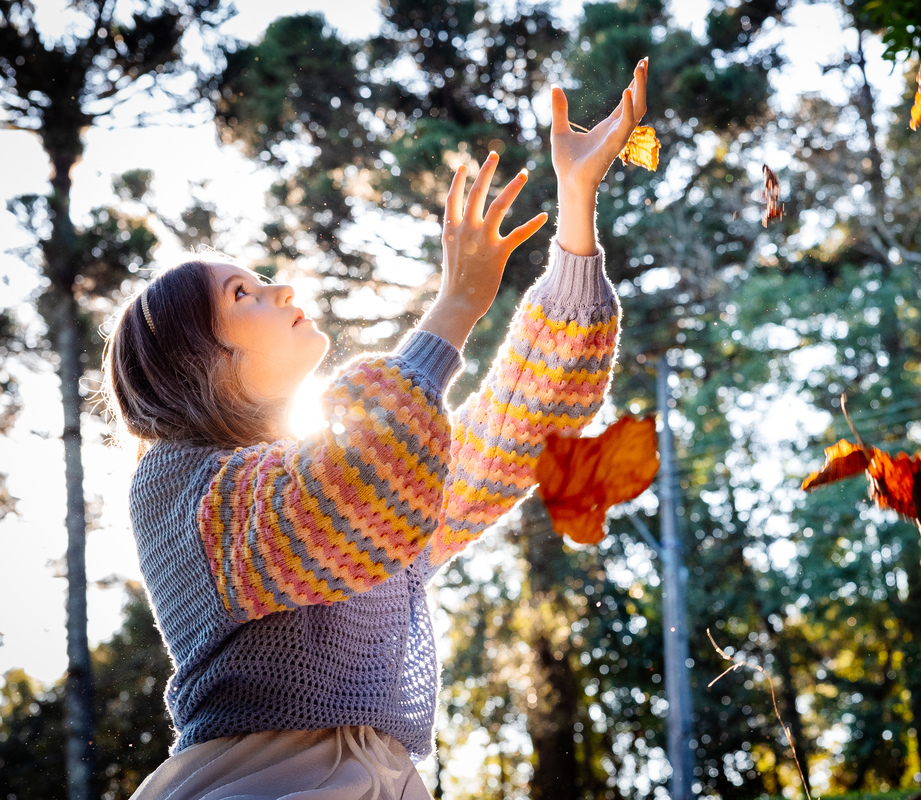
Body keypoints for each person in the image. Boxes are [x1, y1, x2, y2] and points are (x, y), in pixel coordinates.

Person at [104, 58, 649, 800]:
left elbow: (520, 424)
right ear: (199, 358)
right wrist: (453, 307)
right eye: (242, 294)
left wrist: (577, 206)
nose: (280, 288)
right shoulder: (180, 491)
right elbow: (342, 494)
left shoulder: (384, 497)